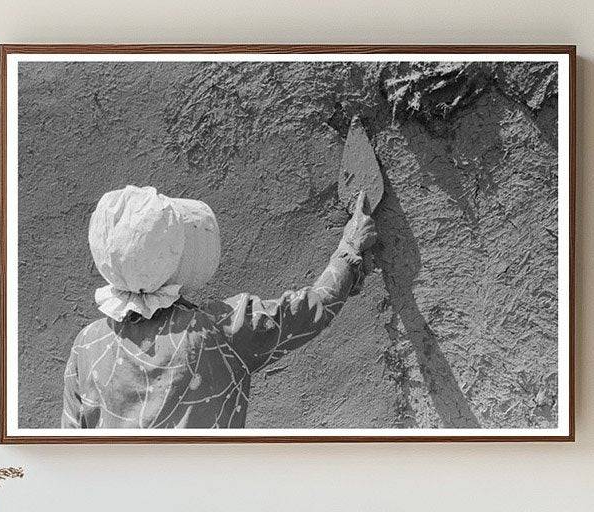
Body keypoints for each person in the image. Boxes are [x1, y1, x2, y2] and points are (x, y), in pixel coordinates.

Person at [62, 184, 376, 429]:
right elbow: (311, 309)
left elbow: (71, 446)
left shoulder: (86, 345)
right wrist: (349, 250)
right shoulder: (219, 330)